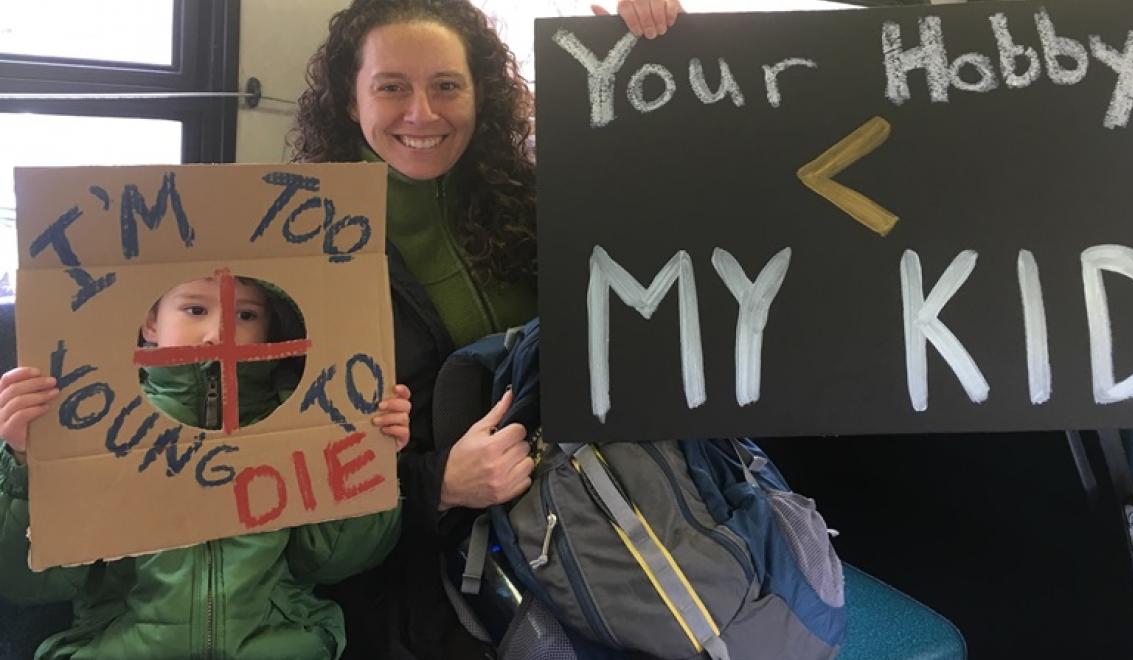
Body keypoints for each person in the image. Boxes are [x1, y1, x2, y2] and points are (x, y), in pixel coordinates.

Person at [290, 0, 682, 657]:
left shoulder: (530, 197)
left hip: (590, 524)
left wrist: (641, 52)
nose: (422, 114)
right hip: (418, 579)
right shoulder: (298, 245)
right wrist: (437, 483)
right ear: (348, 99)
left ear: (481, 92)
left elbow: (660, 219)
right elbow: (291, 471)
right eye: (392, 87)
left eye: (447, 85)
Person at [0, 275, 412, 660]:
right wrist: (26, 467)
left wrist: (367, 458)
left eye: (246, 315)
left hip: (278, 645)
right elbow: (26, 581)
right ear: (150, 323)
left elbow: (337, 560)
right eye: (195, 310)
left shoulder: (304, 417)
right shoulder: (98, 421)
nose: (219, 334)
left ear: (269, 330)